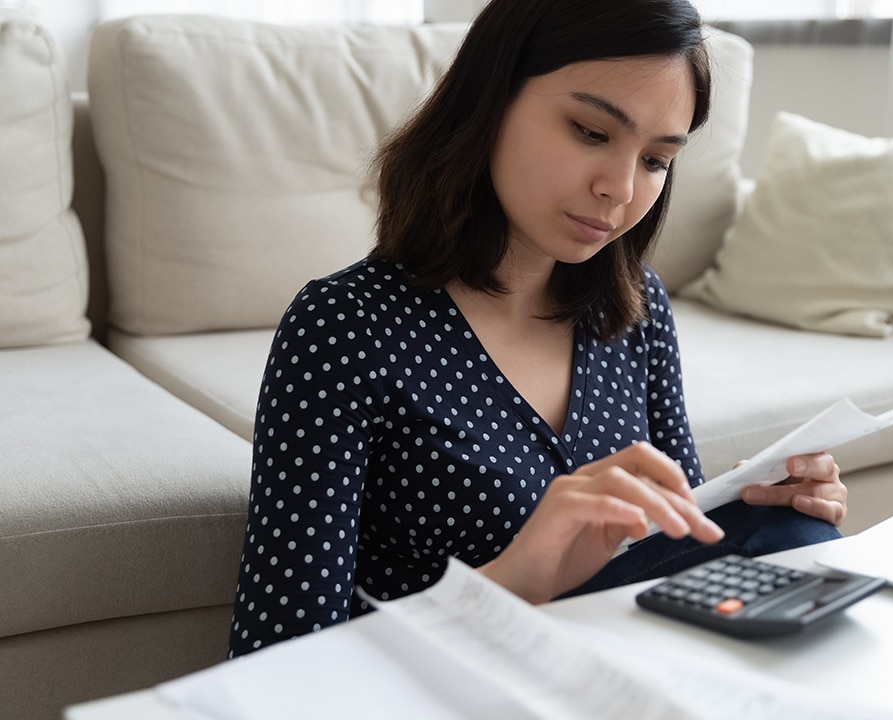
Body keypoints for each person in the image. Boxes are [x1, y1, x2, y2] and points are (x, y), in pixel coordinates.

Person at [227, 0, 846, 658]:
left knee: (786, 534)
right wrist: (511, 580)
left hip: (626, 668)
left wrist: (752, 499)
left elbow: (675, 546)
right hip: (456, 682)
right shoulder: (345, 328)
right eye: (590, 131)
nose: (621, 189)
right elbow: (276, 653)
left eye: (656, 161)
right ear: (491, 99)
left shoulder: (635, 309)